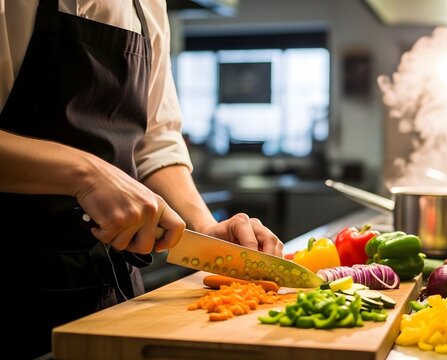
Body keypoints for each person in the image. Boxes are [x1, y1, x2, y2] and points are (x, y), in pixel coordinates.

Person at [0, 1, 283, 357]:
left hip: (114, 286)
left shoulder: (148, 4)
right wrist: (86, 173)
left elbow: (156, 143)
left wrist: (205, 229)